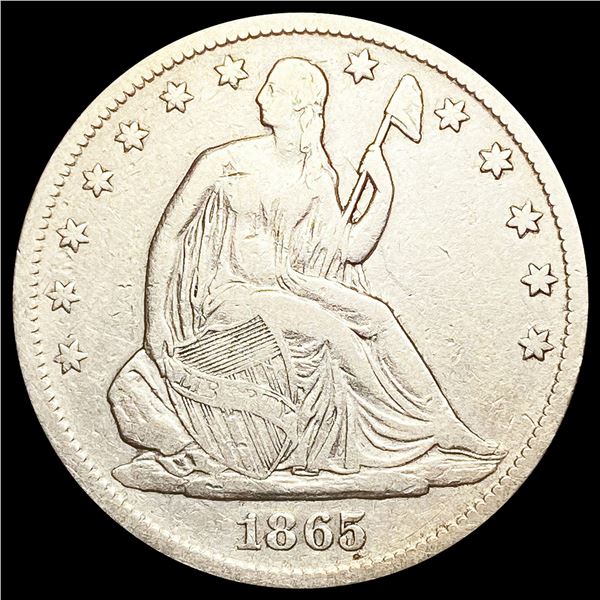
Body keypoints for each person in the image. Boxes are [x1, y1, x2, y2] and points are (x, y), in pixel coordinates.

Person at [109, 57, 499, 481]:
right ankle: (410, 433)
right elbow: (169, 235)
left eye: (273, 89)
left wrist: (383, 189)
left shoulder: (316, 174)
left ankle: (445, 425)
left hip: (288, 286)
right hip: (230, 296)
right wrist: (155, 323)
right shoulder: (225, 161)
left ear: (300, 105)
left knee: (379, 316)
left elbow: (350, 248)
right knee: (334, 331)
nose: (261, 97)